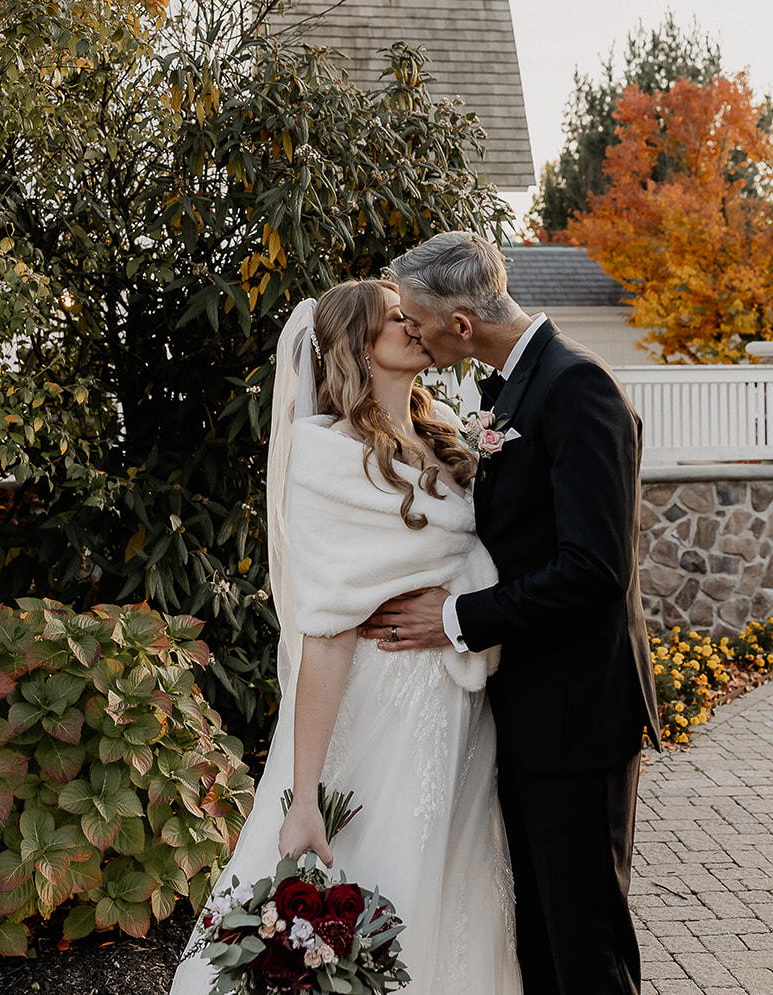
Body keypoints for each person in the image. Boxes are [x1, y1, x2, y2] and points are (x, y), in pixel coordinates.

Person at [169, 279, 522, 995]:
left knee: (452, 889)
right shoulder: (325, 455)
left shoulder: (445, 432)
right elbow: (325, 634)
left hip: (456, 710)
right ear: (359, 345)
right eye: (397, 318)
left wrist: (461, 607)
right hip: (383, 706)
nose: (416, 324)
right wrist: (302, 796)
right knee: (383, 874)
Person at [365, 231, 662, 995]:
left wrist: (456, 618)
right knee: (540, 943)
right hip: (532, 714)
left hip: (577, 717)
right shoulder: (516, 388)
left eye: (419, 319)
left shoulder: (577, 389)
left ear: (461, 323)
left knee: (585, 948)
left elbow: (594, 569)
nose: (413, 331)